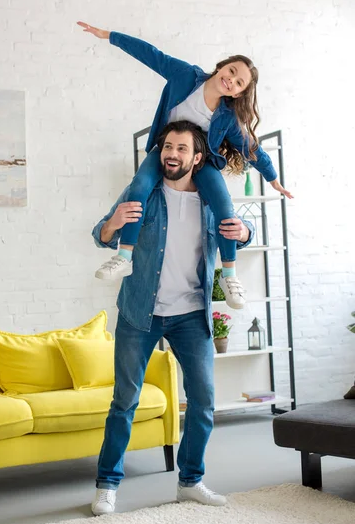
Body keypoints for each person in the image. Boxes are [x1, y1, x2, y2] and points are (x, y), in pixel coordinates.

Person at [90, 120, 255, 516]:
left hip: (190, 315)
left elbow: (241, 232)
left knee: (203, 402)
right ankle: (107, 485)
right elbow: (101, 233)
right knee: (124, 401)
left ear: (197, 158)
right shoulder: (143, 192)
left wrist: (245, 232)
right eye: (167, 147)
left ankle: (190, 481)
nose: (172, 154)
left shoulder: (212, 201)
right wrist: (112, 224)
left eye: (182, 149)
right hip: (139, 313)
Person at [78, 22, 293, 311]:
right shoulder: (186, 76)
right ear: (221, 67)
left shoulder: (228, 117)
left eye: (239, 82)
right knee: (139, 187)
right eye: (232, 71)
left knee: (225, 208)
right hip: (167, 150)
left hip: (200, 161)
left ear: (238, 93)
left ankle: (229, 275)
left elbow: (250, 147)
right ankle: (124, 257)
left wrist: (273, 177)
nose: (232, 80)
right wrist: (110, 36)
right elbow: (151, 54)